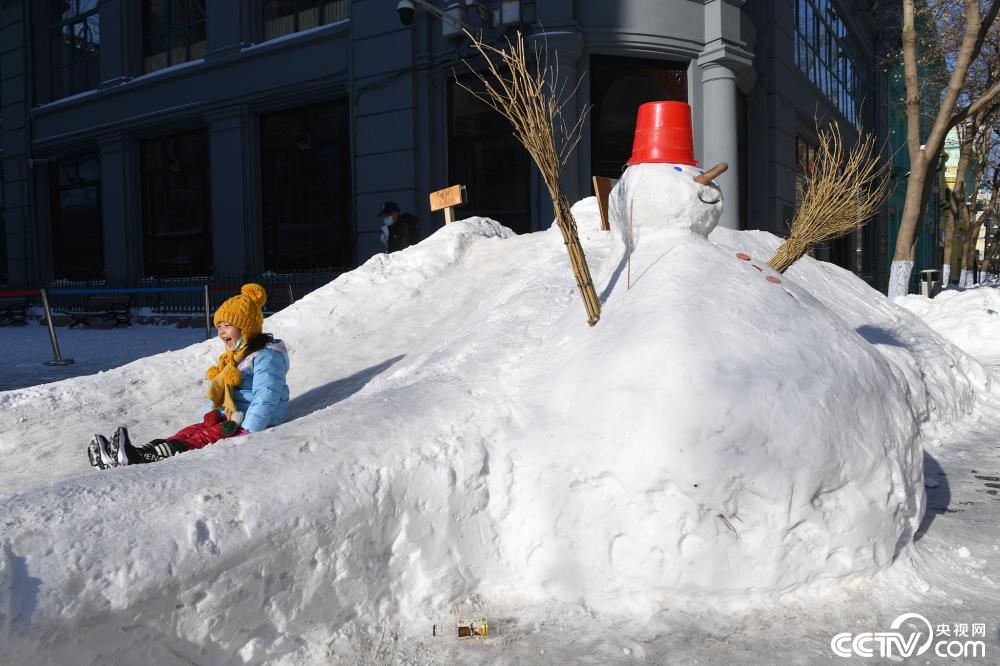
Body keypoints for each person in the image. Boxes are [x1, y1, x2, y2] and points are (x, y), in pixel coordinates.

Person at [87, 283, 290, 469]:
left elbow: (267, 394)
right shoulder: (234, 358)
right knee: (188, 431)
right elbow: (224, 391)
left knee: (200, 438)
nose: (221, 332)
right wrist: (214, 412)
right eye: (219, 326)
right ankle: (136, 453)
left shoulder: (266, 356)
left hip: (252, 421)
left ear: (245, 327)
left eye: (227, 325)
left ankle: (142, 458)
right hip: (229, 416)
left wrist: (249, 430)